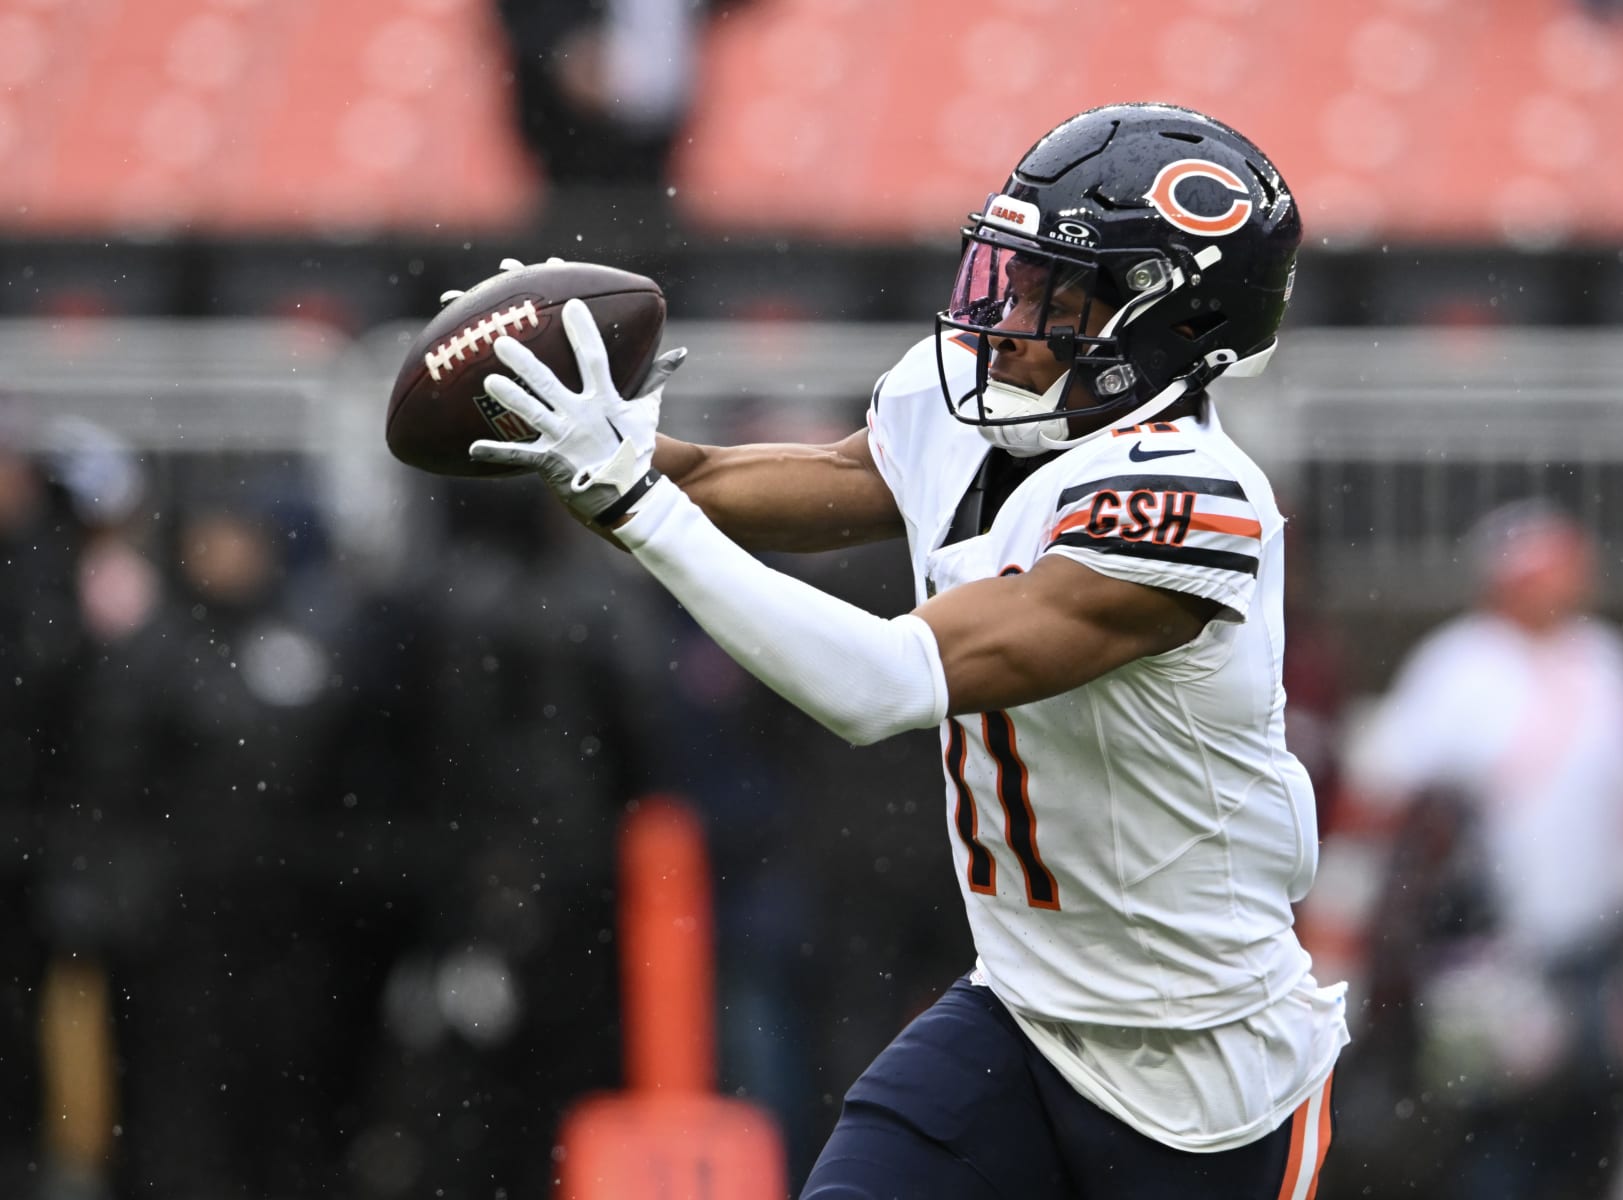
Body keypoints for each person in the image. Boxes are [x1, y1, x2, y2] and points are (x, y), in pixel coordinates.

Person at [469, 104, 1348, 1198]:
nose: (1006, 317)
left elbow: (882, 685)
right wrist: (623, 451)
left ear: (1166, 321)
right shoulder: (976, 411)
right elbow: (825, 480)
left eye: (1053, 293)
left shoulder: (1190, 503)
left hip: (1208, 1076)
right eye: (1012, 276)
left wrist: (638, 504)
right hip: (1020, 1015)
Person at [1340, 501, 1623, 1200]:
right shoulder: (1459, 663)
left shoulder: (1604, 657)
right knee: (1492, 1114)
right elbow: (1389, 786)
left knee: (1586, 1109)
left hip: (1592, 935)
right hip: (1486, 946)